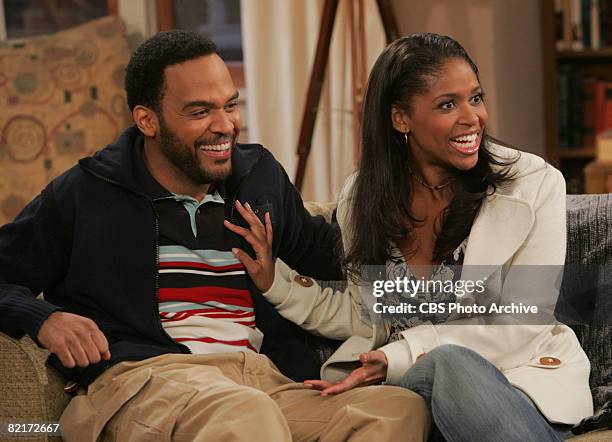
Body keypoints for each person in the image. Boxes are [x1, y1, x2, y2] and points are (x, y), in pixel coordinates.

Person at [0, 31, 431, 441]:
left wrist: (438, 231)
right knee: (244, 413)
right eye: (200, 111)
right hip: (145, 380)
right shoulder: (88, 191)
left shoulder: (258, 179)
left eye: (230, 105)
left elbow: (333, 256)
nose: (225, 125)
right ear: (147, 120)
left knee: (396, 409)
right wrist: (45, 319)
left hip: (260, 378)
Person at [237, 34, 593, 442]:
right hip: (417, 398)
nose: (472, 117)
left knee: (446, 364)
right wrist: (275, 283)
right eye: (447, 104)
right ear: (400, 119)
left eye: (475, 98)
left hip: (519, 391)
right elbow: (364, 314)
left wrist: (402, 354)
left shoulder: (533, 183)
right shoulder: (362, 197)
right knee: (417, 393)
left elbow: (522, 322)